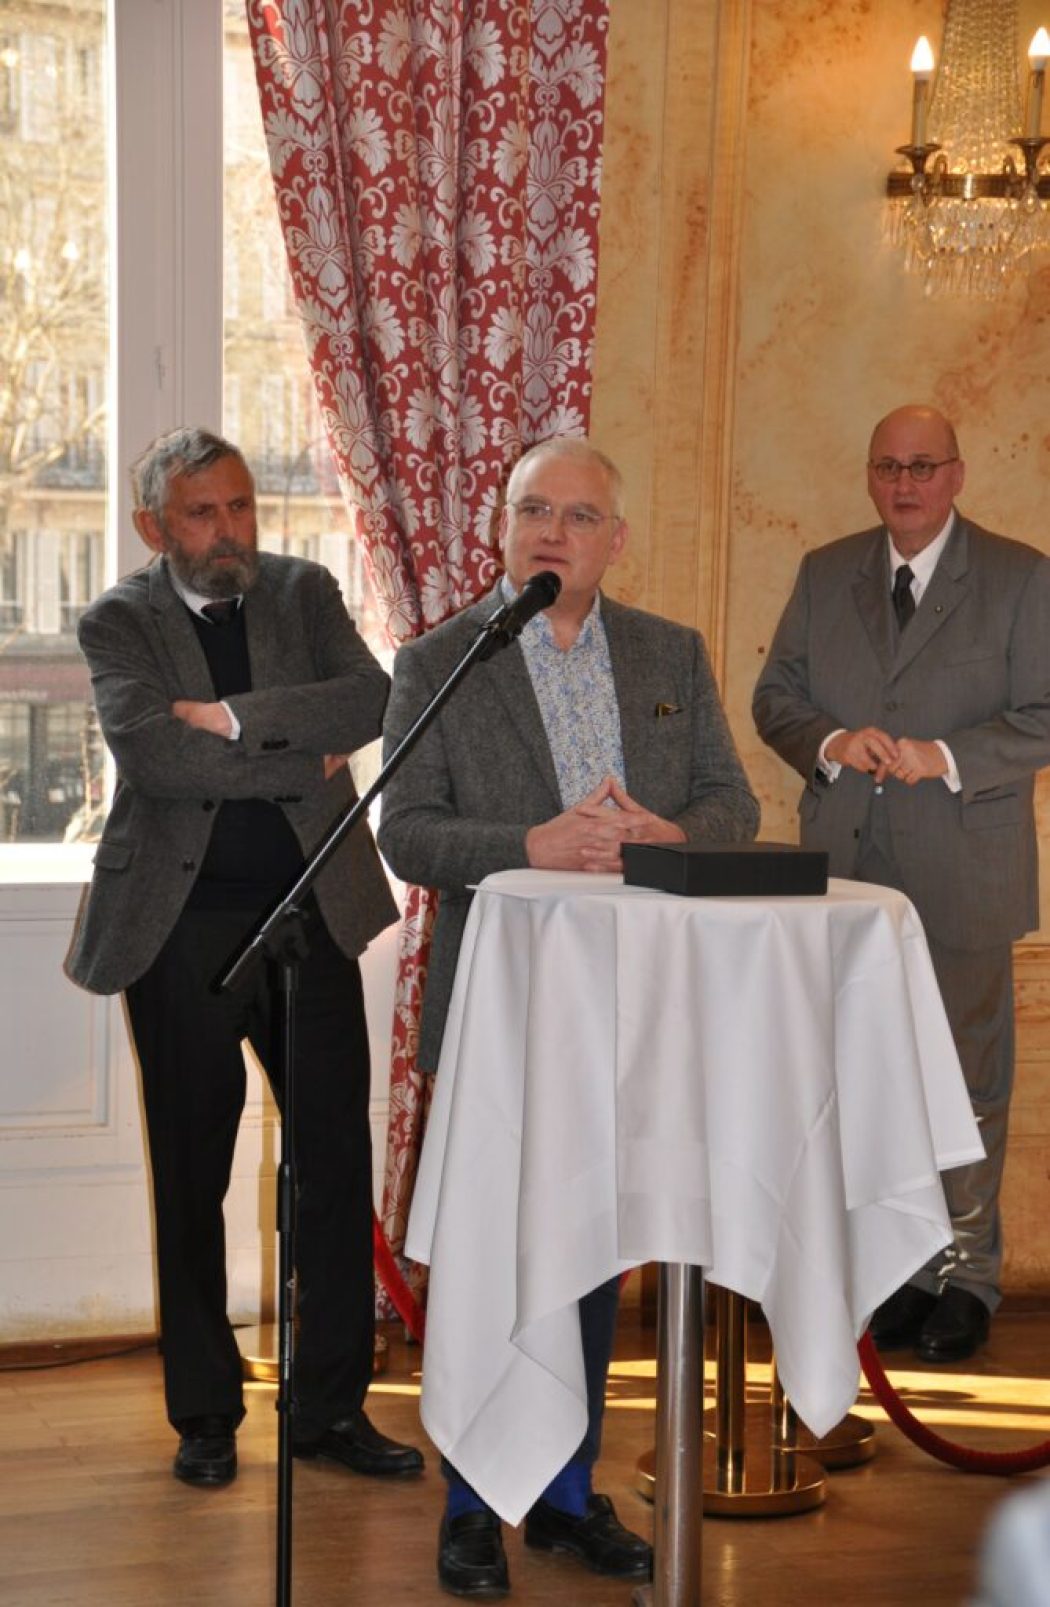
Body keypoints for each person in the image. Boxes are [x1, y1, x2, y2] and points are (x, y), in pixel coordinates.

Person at [378, 436, 760, 1598]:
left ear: (616, 540)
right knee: (495, 1246)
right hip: (504, 1010)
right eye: (532, 508)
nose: (553, 531)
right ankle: (468, 1503)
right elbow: (407, 831)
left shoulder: (667, 653)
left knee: (594, 1250)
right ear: (502, 527)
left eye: (579, 515)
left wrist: (668, 834)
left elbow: (731, 805)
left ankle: (566, 1494)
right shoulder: (440, 658)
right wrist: (529, 846)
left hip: (641, 1009)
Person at [65, 427, 424, 1488]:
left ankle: (327, 1409)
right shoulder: (116, 620)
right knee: (192, 1168)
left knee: (331, 1160)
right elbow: (156, 760)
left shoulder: (303, 593)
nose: (230, 532)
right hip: (178, 927)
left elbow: (371, 701)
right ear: (152, 528)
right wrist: (288, 752)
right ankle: (206, 1410)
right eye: (202, 514)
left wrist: (227, 718)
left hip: (308, 909)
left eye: (240, 506)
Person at [753, 404, 1050, 1365]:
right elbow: (776, 700)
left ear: (958, 475)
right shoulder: (824, 570)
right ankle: (900, 1272)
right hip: (840, 876)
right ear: (870, 476)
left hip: (963, 868)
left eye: (924, 465)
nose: (905, 482)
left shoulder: (1019, 577)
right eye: (888, 465)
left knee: (964, 1081)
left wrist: (947, 754)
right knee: (858, 1078)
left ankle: (967, 1273)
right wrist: (833, 743)